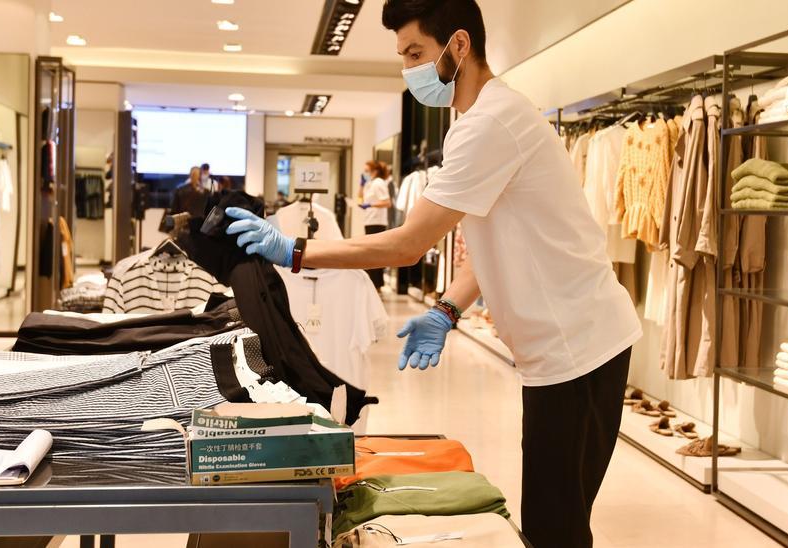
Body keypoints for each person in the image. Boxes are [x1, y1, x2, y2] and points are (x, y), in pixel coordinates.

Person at [223, 1, 640, 546]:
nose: (408, 69)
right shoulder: (482, 119)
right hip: (567, 343)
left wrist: (297, 251)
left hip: (578, 347)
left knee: (553, 525)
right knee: (554, 516)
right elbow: (497, 244)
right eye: (402, 57)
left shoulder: (491, 122)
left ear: (459, 46)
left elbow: (408, 245)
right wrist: (447, 308)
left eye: (416, 53)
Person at [359, 160, 393, 289]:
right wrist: (361, 185)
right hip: (369, 221)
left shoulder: (379, 183)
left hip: (377, 222)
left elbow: (387, 202)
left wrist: (371, 205)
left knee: (375, 253)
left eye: (367, 171)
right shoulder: (370, 183)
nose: (365, 173)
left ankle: (376, 284)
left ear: (375, 171)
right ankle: (373, 283)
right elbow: (360, 198)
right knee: (370, 253)